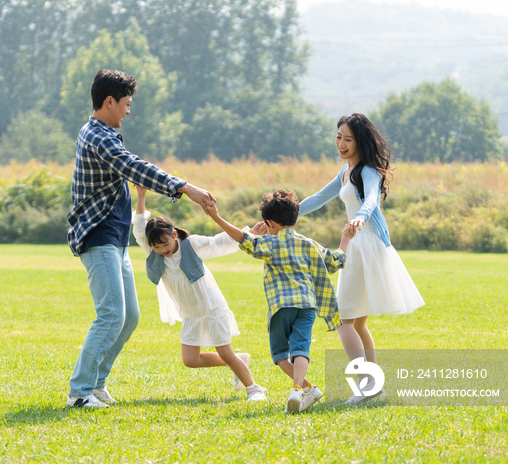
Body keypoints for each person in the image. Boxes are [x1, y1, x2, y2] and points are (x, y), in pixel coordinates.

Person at [66, 69, 216, 408]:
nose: (129, 111)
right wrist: (184, 187)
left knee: (128, 316)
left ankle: (96, 385)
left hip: (115, 238)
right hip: (99, 235)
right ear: (109, 102)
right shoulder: (98, 137)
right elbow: (135, 167)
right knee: (111, 315)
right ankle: (79, 392)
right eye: (126, 104)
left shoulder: (103, 133)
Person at [298, 113, 425, 404]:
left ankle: (367, 385)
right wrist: (283, 214)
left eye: (348, 139)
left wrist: (360, 218)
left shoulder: (368, 170)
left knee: (344, 319)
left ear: (360, 141)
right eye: (338, 137)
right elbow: (318, 198)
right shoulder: (346, 171)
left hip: (365, 244)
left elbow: (371, 200)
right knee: (357, 324)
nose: (341, 143)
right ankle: (373, 385)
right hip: (357, 246)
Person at [207, 190, 354, 413]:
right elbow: (334, 262)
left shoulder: (269, 244)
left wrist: (216, 217)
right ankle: (304, 389)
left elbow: (242, 238)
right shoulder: (309, 244)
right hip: (307, 307)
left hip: (281, 307)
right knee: (300, 350)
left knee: (280, 355)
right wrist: (345, 239)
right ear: (294, 219)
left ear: (268, 222)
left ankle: (302, 388)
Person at [132, 186, 267, 401]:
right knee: (190, 360)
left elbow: (220, 242)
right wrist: (141, 195)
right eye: (156, 247)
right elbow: (139, 229)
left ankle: (254, 389)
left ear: (174, 235)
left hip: (211, 308)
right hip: (190, 314)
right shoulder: (154, 253)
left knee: (224, 351)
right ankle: (238, 360)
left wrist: (250, 233)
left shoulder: (191, 245)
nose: (162, 250)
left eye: (165, 244)